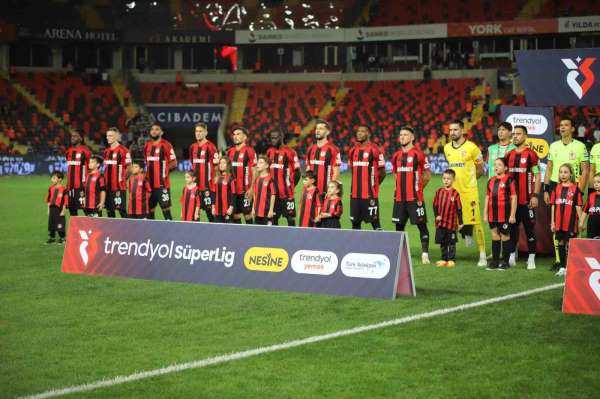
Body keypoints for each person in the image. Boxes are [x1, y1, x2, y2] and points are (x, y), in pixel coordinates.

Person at [544, 117, 589, 270]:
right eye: (560, 125)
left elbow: (585, 170)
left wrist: (579, 191)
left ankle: (574, 259)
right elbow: (549, 168)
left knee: (572, 224)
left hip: (573, 187)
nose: (562, 128)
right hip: (556, 186)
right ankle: (559, 261)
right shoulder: (554, 146)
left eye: (566, 125)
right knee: (557, 223)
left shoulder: (580, 146)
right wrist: (546, 189)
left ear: (572, 129)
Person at [443, 119, 487, 267]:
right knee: (451, 222)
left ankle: (482, 255)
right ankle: (452, 250)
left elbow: (480, 169)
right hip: (453, 193)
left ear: (462, 131)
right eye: (450, 130)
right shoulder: (446, 148)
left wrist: (472, 181)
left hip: (469, 192)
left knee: (477, 223)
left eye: (455, 130)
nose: (452, 133)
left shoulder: (472, 148)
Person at [392, 126, 431, 264]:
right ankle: (400, 254)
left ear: (412, 137)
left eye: (405, 135)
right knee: (399, 226)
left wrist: (418, 189)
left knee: (421, 225)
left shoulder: (419, 154)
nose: (402, 137)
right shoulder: (396, 155)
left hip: (415, 198)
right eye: (401, 134)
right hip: (399, 198)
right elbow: (396, 174)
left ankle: (425, 254)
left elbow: (427, 175)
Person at [505, 125, 541, 269]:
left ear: (525, 136)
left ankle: (531, 258)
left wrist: (535, 195)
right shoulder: (509, 155)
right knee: (512, 229)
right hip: (512, 201)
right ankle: (512, 256)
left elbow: (537, 175)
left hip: (526, 200)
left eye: (518, 134)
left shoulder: (531, 155)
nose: (515, 136)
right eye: (514, 134)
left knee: (529, 230)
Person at [347, 125, 386, 230]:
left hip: (369, 194)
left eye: (362, 131)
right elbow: (353, 170)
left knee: (375, 223)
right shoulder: (352, 151)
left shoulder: (375, 149)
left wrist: (373, 185)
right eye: (358, 131)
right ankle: (356, 246)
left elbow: (382, 172)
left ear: (368, 134)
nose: (359, 133)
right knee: (355, 223)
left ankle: (381, 244)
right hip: (355, 194)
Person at [484, 158, 517, 270]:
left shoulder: (509, 180)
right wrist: (485, 213)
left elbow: (514, 197)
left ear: (505, 168)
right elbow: (487, 198)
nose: (496, 167)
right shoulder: (491, 180)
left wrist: (512, 215)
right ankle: (495, 261)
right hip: (492, 214)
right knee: (494, 235)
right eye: (495, 165)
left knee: (505, 236)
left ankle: (505, 262)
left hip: (505, 214)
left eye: (499, 164)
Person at [550, 164, 583, 276]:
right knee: (560, 243)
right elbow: (553, 205)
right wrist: (552, 222)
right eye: (561, 172)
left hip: (570, 224)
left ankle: (572, 267)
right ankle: (563, 267)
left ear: (571, 174)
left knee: (570, 245)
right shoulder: (556, 188)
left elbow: (578, 206)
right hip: (559, 223)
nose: (563, 174)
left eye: (565, 172)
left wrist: (581, 222)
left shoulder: (575, 189)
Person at [266, 130, 300, 226]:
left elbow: (298, 173)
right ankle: (275, 239)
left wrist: (291, 185)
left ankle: (293, 240)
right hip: (273, 194)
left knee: (290, 218)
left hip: (287, 193)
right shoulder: (269, 152)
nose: (273, 140)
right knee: (273, 217)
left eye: (275, 138)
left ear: (281, 137)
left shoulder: (290, 152)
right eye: (272, 138)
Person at [144, 123, 177, 220]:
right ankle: (151, 234)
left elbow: (174, 162)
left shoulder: (166, 145)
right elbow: (146, 162)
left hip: (162, 186)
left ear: (161, 132)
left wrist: (164, 173)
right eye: (152, 129)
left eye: (157, 129)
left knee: (166, 212)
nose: (154, 131)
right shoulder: (147, 145)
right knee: (149, 211)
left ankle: (170, 233)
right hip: (149, 185)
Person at [433, 169, 463, 268]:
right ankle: (443, 258)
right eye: (444, 178)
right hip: (441, 223)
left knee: (451, 242)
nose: (446, 180)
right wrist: (436, 215)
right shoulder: (439, 191)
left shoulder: (455, 193)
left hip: (451, 223)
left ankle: (451, 259)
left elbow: (459, 208)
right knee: (442, 242)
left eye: (449, 179)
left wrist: (461, 222)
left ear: (453, 180)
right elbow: (435, 205)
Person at [305, 119, 341, 202]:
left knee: (324, 214)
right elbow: (308, 170)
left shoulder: (333, 149)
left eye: (321, 129)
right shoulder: (310, 149)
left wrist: (330, 190)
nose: (317, 131)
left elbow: (336, 172)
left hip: (325, 192)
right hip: (311, 191)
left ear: (327, 132)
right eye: (317, 128)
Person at [227, 127, 257, 224]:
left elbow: (254, 170)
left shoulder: (250, 151)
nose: (235, 136)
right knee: (235, 215)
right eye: (234, 134)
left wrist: (251, 188)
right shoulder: (230, 151)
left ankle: (251, 237)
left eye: (238, 134)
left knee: (247, 215)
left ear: (245, 137)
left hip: (246, 191)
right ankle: (239, 238)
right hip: (233, 192)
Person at [189, 122, 218, 222]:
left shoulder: (211, 147)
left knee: (211, 215)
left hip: (207, 187)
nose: (198, 133)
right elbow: (192, 164)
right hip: (195, 187)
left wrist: (213, 185)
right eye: (196, 131)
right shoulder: (192, 147)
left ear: (206, 132)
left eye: (200, 131)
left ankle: (215, 235)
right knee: (194, 214)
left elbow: (216, 166)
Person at [103, 127, 131, 218]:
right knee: (109, 211)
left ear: (116, 137)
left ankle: (129, 230)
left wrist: (121, 180)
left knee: (121, 210)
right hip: (107, 187)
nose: (108, 138)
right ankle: (113, 231)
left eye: (110, 136)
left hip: (118, 187)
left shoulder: (124, 150)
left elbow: (129, 168)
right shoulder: (106, 152)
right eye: (107, 136)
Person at [65, 130, 92, 216]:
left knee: (87, 211)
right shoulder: (68, 151)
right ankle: (76, 229)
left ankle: (93, 228)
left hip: (82, 187)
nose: (72, 138)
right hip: (70, 187)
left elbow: (91, 167)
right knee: (72, 211)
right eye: (72, 136)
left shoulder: (86, 151)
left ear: (80, 138)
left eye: (75, 136)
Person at [252, 155, 276, 225]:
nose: (258, 165)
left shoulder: (270, 180)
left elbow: (273, 195)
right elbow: (255, 194)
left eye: (261, 163)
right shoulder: (257, 179)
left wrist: (271, 210)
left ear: (266, 166)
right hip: (257, 211)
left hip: (266, 211)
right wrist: (253, 208)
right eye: (258, 163)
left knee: (268, 234)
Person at [45, 171, 68, 244]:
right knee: (51, 224)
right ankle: (52, 238)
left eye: (54, 178)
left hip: (59, 210)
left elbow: (65, 201)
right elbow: (48, 200)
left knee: (60, 223)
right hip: (52, 209)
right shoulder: (50, 188)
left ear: (60, 179)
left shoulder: (64, 189)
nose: (52, 179)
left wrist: (63, 211)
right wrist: (48, 210)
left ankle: (62, 238)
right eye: (52, 178)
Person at [212, 156, 236, 223]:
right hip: (217, 210)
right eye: (220, 163)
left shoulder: (230, 179)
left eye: (224, 163)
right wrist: (213, 207)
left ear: (228, 165)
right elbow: (213, 193)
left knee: (228, 230)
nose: (221, 165)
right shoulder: (216, 178)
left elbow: (233, 194)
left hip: (227, 210)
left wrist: (231, 208)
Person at [580, 173, 600, 239]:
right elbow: (585, 211)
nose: (596, 184)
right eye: (594, 182)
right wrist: (581, 223)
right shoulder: (591, 196)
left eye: (598, 182)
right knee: (592, 244)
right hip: (592, 224)